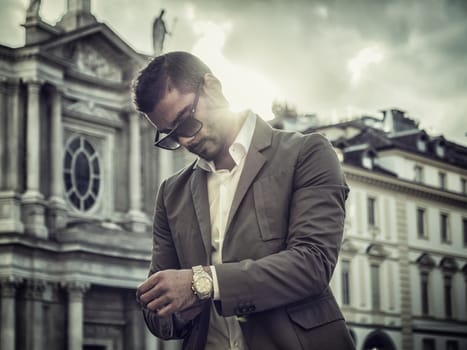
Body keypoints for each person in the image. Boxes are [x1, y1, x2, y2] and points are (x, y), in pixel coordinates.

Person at [134, 51, 355, 350]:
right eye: (171, 137)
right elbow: (157, 314)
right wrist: (176, 309)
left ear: (212, 87)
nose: (185, 141)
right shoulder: (171, 193)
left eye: (185, 123)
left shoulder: (307, 154)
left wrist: (204, 284)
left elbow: (312, 264)